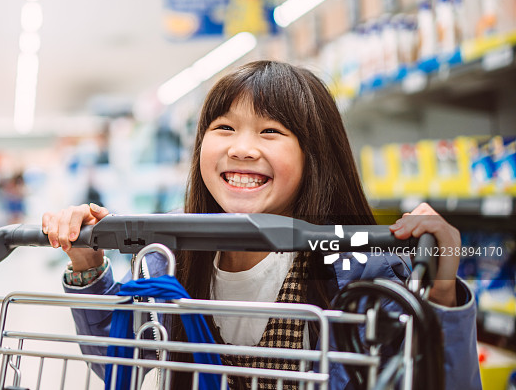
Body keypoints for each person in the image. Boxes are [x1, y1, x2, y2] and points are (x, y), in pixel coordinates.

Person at [42, 60, 481, 390]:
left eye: (271, 131)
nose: (242, 148)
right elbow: (121, 363)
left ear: (316, 156)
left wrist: (440, 295)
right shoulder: (167, 258)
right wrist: (87, 265)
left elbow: (431, 378)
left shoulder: (360, 269)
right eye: (224, 127)